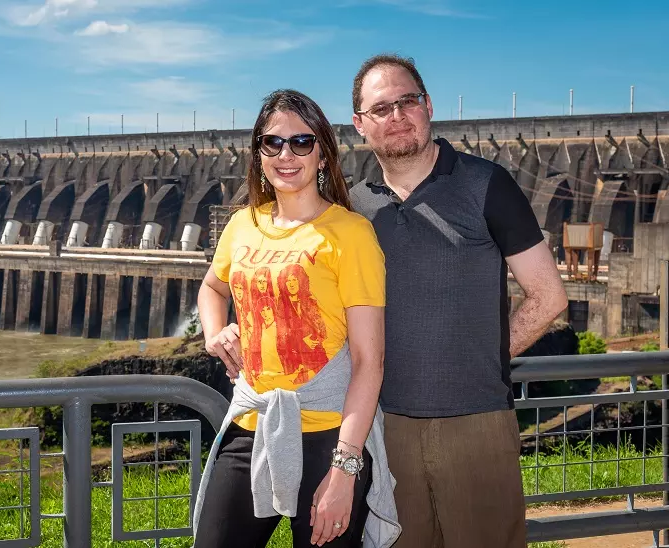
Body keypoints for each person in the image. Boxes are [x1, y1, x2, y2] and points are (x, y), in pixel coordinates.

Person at [348, 54, 569, 548]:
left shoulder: (485, 183)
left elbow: (549, 296)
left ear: (428, 106)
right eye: (381, 108)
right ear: (360, 124)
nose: (397, 116)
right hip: (385, 427)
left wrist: (480, 359)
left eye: (407, 101)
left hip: (476, 425)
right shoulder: (356, 206)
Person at [193, 89, 400, 548]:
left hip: (329, 436)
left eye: (302, 142)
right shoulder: (243, 224)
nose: (286, 155)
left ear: (322, 154)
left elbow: (370, 362)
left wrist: (344, 470)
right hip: (252, 426)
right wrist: (215, 332)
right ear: (258, 154)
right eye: (272, 143)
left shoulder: (351, 234)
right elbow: (212, 287)